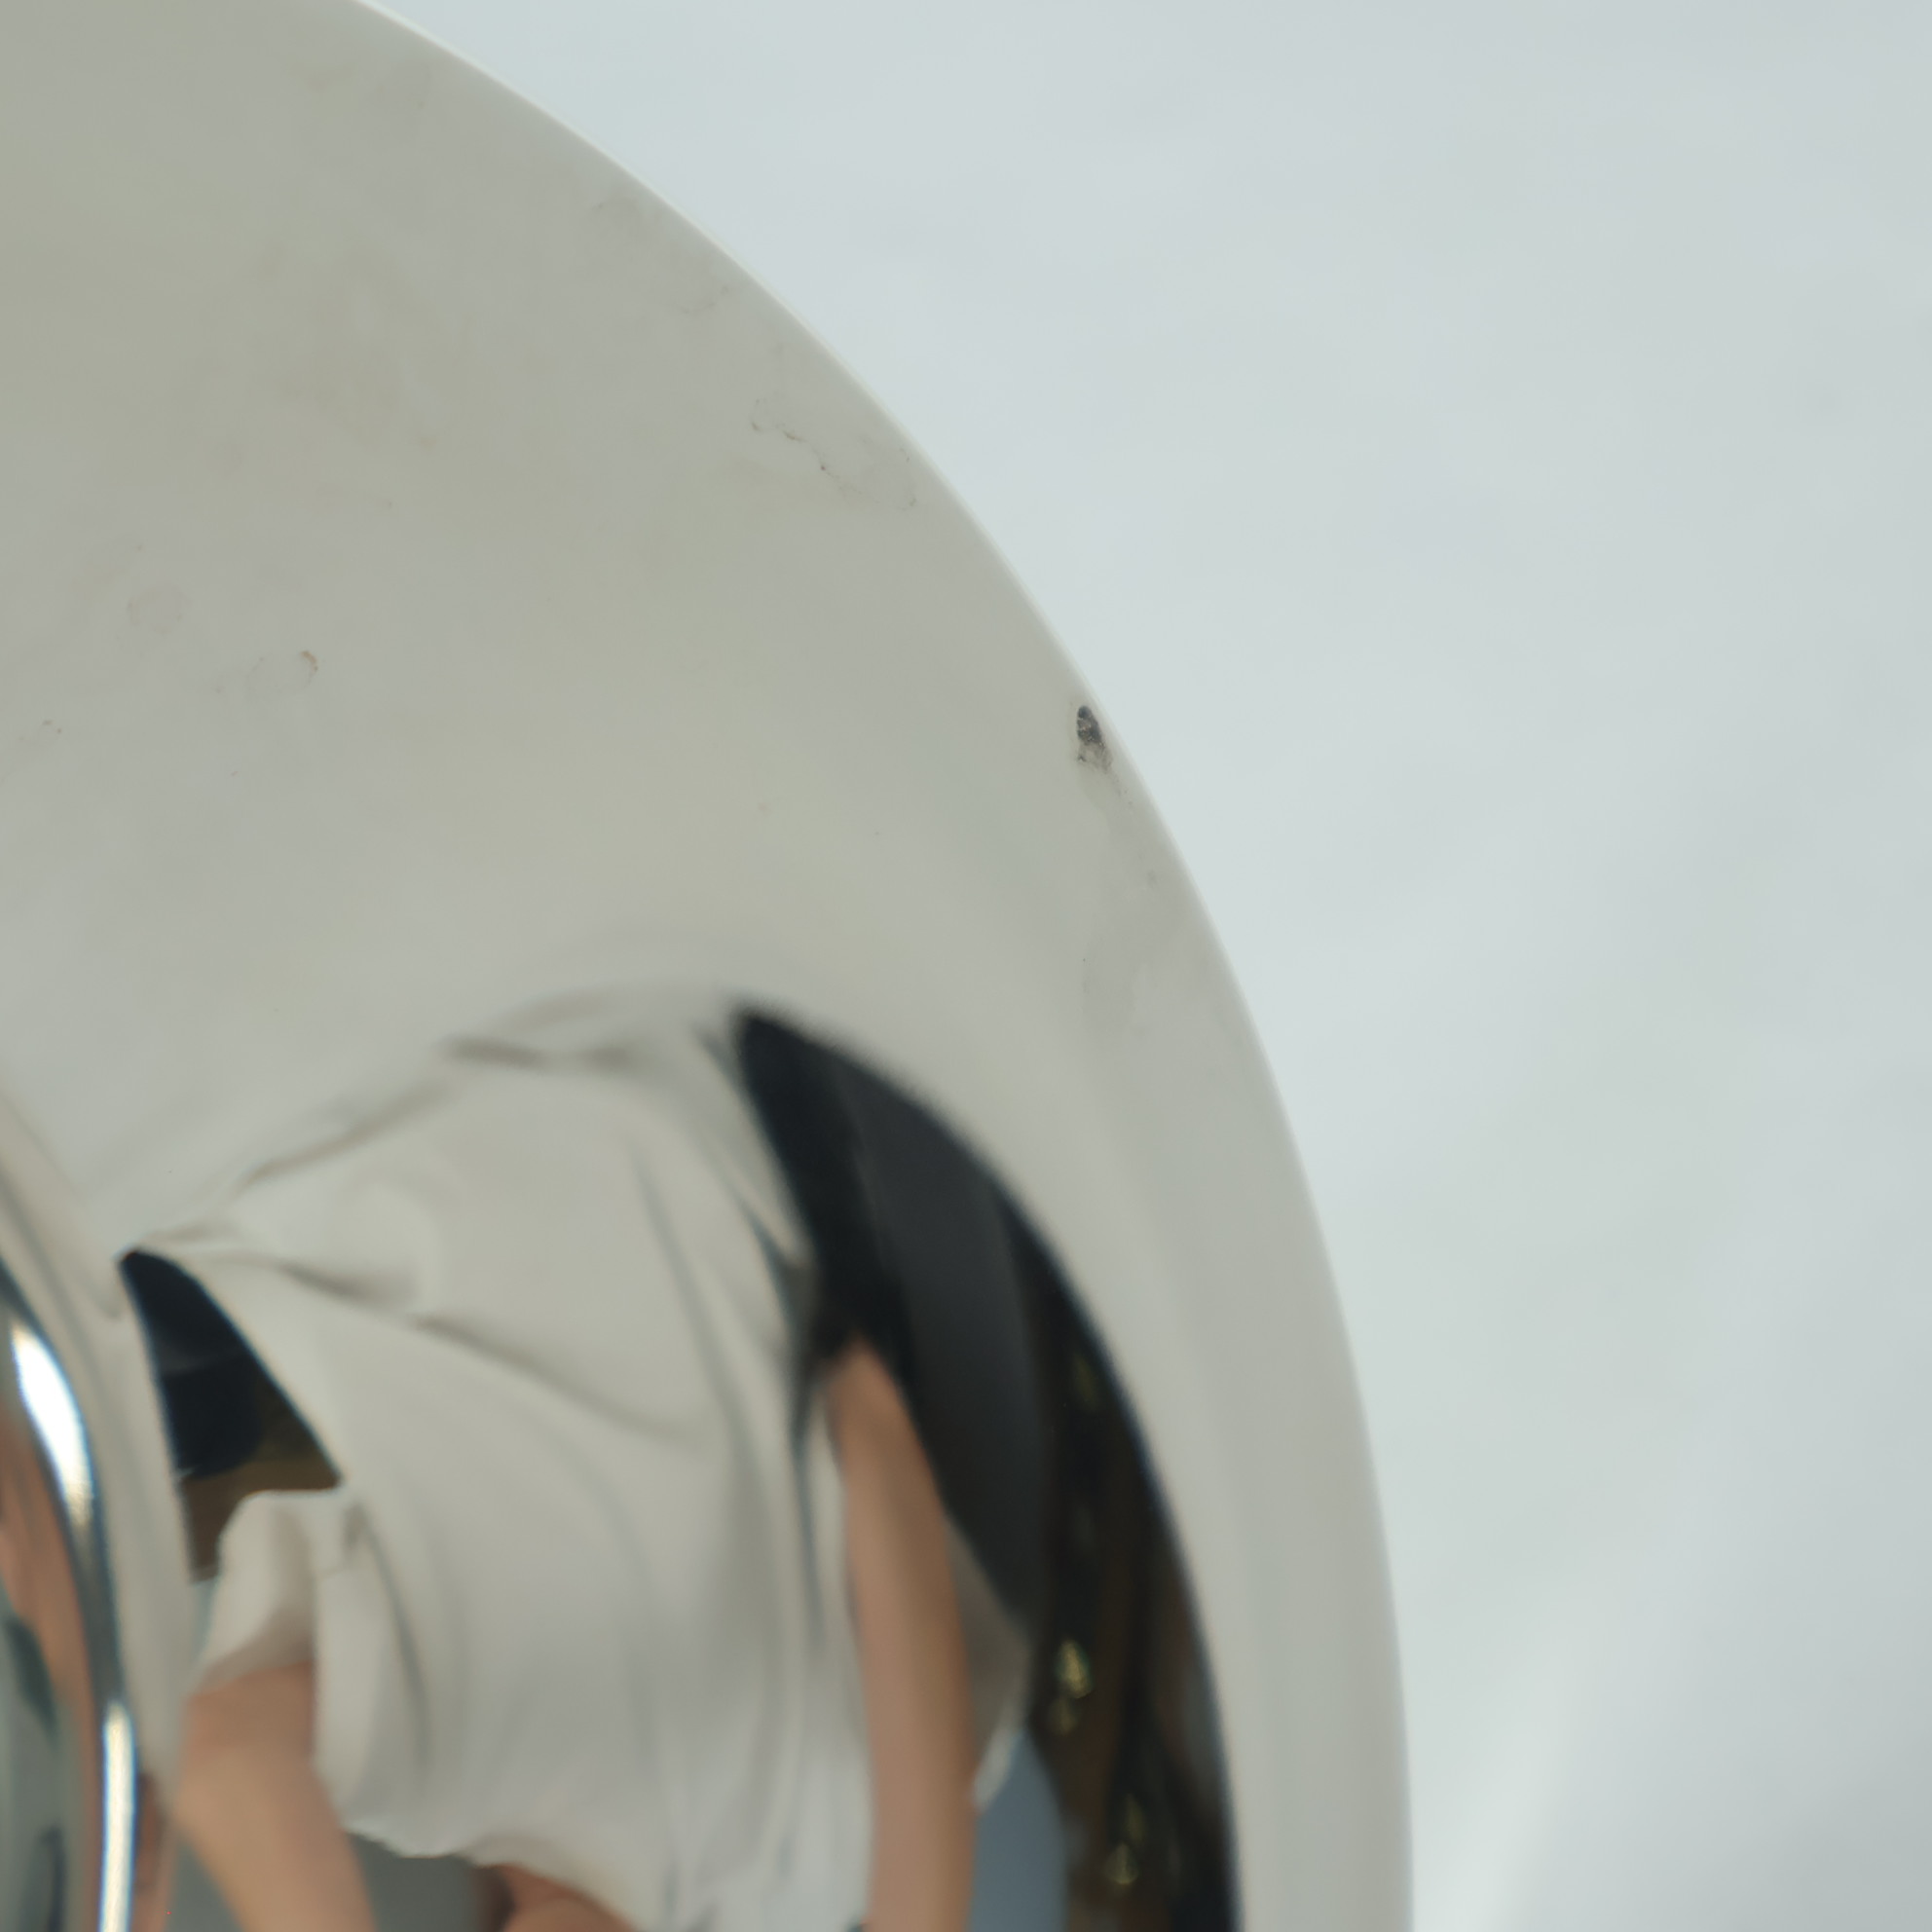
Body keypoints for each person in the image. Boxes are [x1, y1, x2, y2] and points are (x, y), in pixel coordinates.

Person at [130, 993, 1028, 1932]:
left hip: (322, 1106)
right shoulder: (800, 1882)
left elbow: (225, 1750)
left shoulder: (434, 1764)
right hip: (608, 1054)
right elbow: (878, 1436)